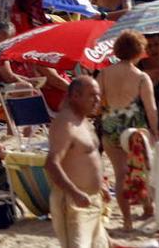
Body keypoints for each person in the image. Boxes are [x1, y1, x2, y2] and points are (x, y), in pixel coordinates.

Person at [100, 30, 158, 231]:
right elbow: (151, 109)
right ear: (138, 51)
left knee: (119, 173)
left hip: (110, 125)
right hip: (134, 127)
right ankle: (148, 206)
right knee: (141, 168)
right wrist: (155, 132)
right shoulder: (141, 77)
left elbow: (98, 102)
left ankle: (127, 221)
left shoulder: (105, 73)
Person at [48, 76, 109, 248]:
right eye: (92, 95)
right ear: (75, 96)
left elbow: (87, 158)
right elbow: (51, 163)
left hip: (92, 200)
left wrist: (101, 185)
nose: (97, 100)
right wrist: (74, 193)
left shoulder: (83, 120)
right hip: (73, 202)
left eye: (98, 95)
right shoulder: (65, 124)